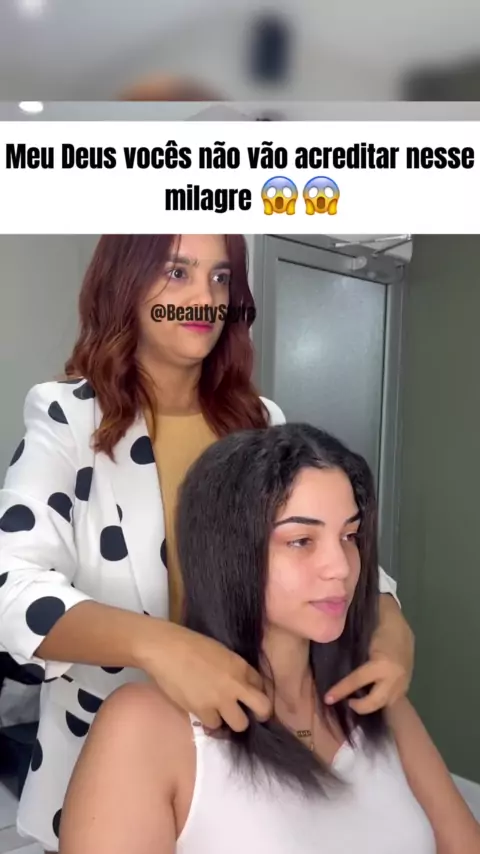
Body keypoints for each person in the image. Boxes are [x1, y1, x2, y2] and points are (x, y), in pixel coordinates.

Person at [0, 234, 413, 853]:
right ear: (125, 282)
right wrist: (160, 646)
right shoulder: (68, 417)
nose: (203, 297)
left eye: (221, 278)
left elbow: (327, 543)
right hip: (111, 771)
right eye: (177, 272)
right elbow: (11, 585)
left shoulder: (259, 422)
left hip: (250, 753)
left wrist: (390, 623)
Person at [58, 423, 480, 853]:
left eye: (349, 536)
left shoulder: (375, 697)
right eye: (301, 541)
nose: (340, 566)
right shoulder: (145, 728)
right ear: (228, 553)